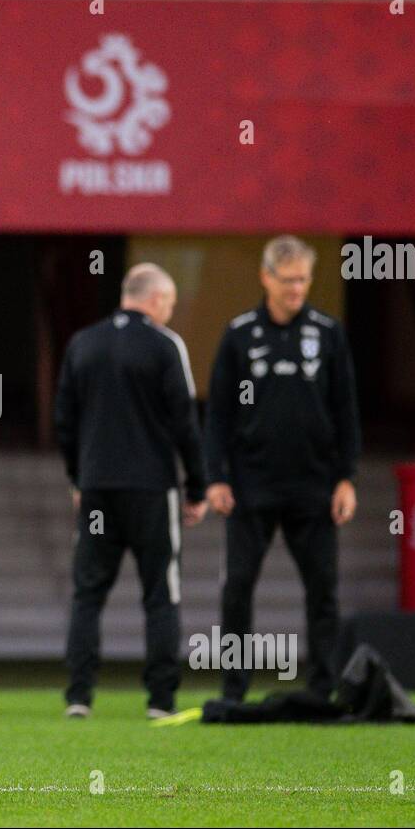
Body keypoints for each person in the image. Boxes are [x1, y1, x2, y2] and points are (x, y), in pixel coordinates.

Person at [204, 235, 360, 703]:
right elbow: (218, 415)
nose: (297, 289)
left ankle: (324, 688)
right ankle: (234, 690)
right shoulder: (239, 334)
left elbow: (346, 411)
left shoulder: (328, 334)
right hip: (251, 486)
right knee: (236, 589)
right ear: (266, 277)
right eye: (288, 280)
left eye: (304, 279)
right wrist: (215, 476)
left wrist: (346, 477)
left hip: (313, 487)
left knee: (323, 591)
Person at [54, 263, 208, 720]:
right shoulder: (165, 345)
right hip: (151, 490)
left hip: (98, 489)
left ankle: (79, 695)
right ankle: (160, 699)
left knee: (87, 594)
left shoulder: (83, 342)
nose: (171, 312)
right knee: (162, 592)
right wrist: (196, 486)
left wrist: (76, 478)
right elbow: (185, 420)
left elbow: (64, 420)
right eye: (171, 304)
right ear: (157, 299)